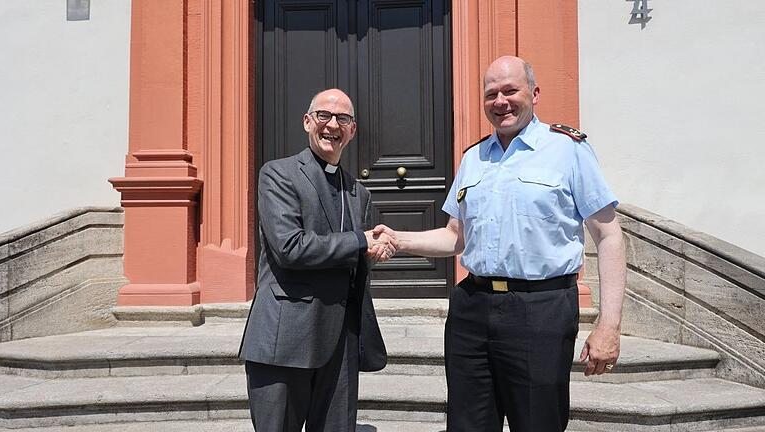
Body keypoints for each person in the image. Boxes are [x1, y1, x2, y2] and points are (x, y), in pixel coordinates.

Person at [373, 56, 626, 431]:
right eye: (492, 93)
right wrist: (399, 239)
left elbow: (609, 235)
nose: (501, 101)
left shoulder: (568, 150)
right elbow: (456, 236)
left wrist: (609, 324)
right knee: (467, 424)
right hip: (473, 309)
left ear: (534, 94)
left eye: (511, 90)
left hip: (541, 310)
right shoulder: (473, 158)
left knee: (538, 422)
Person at [239, 89, 397, 432]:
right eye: (324, 115)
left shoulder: (360, 192)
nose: (332, 125)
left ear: (352, 131)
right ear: (307, 122)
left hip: (339, 343)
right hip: (285, 338)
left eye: (343, 118)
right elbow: (289, 248)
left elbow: (350, 259)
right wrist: (360, 241)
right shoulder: (278, 174)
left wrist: (372, 254)